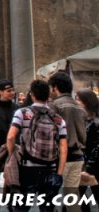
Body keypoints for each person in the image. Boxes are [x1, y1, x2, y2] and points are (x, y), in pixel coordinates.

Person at [6, 79, 67, 212]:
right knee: (47, 208)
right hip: (50, 169)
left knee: (21, 207)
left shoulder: (22, 113)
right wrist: (59, 174)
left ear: (32, 94)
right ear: (48, 95)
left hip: (27, 168)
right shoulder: (58, 119)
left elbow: (11, 137)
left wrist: (12, 155)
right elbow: (63, 148)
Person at [49, 71, 87, 211]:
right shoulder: (80, 108)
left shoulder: (55, 106)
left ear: (55, 87)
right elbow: (84, 136)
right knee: (72, 197)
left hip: (61, 158)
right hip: (78, 156)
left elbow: (52, 133)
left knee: (50, 196)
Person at [76, 88, 99, 212]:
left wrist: (88, 168)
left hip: (92, 167)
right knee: (80, 198)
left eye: (78, 99)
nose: (76, 102)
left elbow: (97, 148)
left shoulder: (95, 122)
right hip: (84, 165)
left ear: (86, 102)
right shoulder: (84, 119)